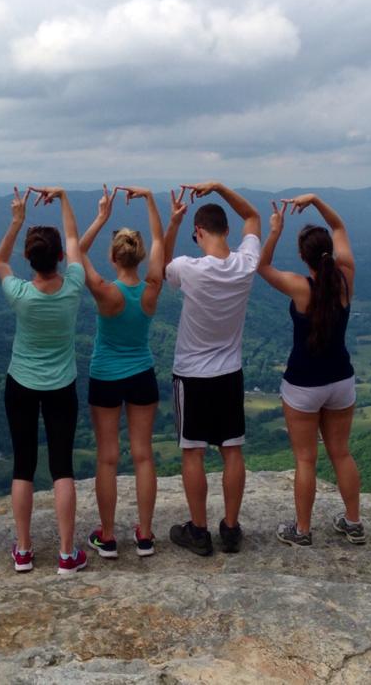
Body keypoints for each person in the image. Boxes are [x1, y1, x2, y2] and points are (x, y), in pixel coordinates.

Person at [257, 194, 365, 546]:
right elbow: (340, 226)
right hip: (341, 380)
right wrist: (317, 200)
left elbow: (261, 265)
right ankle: (353, 522)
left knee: (306, 459)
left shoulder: (300, 287)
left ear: (303, 258)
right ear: (329, 254)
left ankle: (302, 531)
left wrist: (274, 230)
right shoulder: (345, 280)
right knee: (342, 452)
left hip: (303, 384)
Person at [164, 182, 261, 556]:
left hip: (191, 374)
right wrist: (220, 187)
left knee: (193, 452)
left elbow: (159, 269)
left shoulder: (189, 269)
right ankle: (231, 529)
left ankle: (199, 531)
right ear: (226, 231)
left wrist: (174, 223)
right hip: (229, 372)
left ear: (199, 232)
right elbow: (252, 216)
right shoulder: (245, 264)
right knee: (232, 450)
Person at [0, 185, 88, 575]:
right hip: (61, 386)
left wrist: (16, 221)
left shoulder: (19, 293)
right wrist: (64, 198)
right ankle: (67, 554)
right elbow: (72, 237)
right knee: (62, 466)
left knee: (23, 466)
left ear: (29, 260)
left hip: (21, 384)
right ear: (62, 260)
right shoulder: (73, 287)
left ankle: (24, 550)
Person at [78, 185, 164, 558]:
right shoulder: (150, 288)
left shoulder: (103, 291)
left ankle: (108, 536)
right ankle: (144, 535)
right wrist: (149, 199)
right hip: (142, 372)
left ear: (114, 258)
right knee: (143, 455)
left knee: (107, 456)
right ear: (140, 258)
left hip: (106, 376)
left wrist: (101, 216)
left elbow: (76, 252)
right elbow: (160, 237)